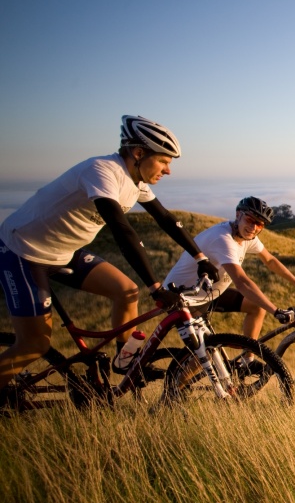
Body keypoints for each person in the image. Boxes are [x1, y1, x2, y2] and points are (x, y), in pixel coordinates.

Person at [0, 115, 220, 396]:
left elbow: (165, 219)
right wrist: (155, 287)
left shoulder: (136, 181)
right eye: (164, 161)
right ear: (139, 153)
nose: (168, 170)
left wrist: (200, 257)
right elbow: (121, 229)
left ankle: (124, 363)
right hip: (22, 251)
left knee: (126, 292)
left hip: (63, 252)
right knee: (34, 344)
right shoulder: (102, 171)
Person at [163, 196, 295, 372]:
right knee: (206, 353)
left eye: (260, 224)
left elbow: (270, 260)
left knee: (255, 307)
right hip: (182, 298)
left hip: (208, 293)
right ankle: (174, 392)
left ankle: (247, 360)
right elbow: (242, 282)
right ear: (238, 215)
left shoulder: (247, 237)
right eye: (250, 220)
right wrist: (275, 311)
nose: (253, 228)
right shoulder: (223, 239)